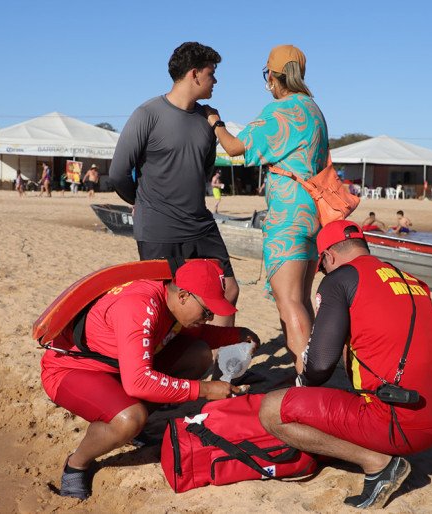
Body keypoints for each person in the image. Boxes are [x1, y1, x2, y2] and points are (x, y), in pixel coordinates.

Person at [258, 220, 432, 509]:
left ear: (328, 256)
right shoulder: (408, 278)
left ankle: (378, 464)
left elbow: (319, 366)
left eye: (323, 267)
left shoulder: (340, 278)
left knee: (272, 410)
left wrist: (300, 387)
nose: (324, 273)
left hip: (401, 426)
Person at [41, 260, 260, 499]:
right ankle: (77, 464)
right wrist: (205, 389)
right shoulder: (140, 305)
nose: (208, 318)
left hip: (118, 369)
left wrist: (238, 334)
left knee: (198, 355)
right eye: (207, 311)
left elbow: (199, 333)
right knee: (129, 418)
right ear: (184, 296)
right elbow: (138, 382)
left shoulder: (171, 301)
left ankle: (133, 429)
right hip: (70, 370)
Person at [206, 44, 328, 371]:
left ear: (273, 77)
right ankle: (311, 370)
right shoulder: (314, 110)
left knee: (288, 303)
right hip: (311, 215)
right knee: (301, 300)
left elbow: (234, 147)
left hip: (287, 216)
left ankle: (307, 377)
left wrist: (215, 121)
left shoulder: (280, 111)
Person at [109, 42, 239, 327]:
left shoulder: (208, 120)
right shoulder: (148, 114)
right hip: (159, 228)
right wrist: (141, 202)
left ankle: (221, 369)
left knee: (227, 289)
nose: (215, 80)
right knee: (165, 304)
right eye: (211, 73)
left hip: (200, 224)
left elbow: (203, 173)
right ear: (194, 74)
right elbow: (118, 173)